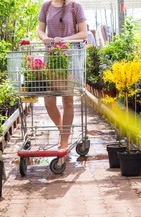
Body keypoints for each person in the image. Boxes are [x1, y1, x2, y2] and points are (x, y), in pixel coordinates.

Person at [37, 0, 87, 149]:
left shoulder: (75, 6)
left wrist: (64, 40)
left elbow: (84, 32)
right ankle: (64, 130)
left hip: (69, 57)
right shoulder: (46, 6)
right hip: (51, 57)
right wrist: (44, 37)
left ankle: (64, 141)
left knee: (68, 101)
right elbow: (40, 30)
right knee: (49, 102)